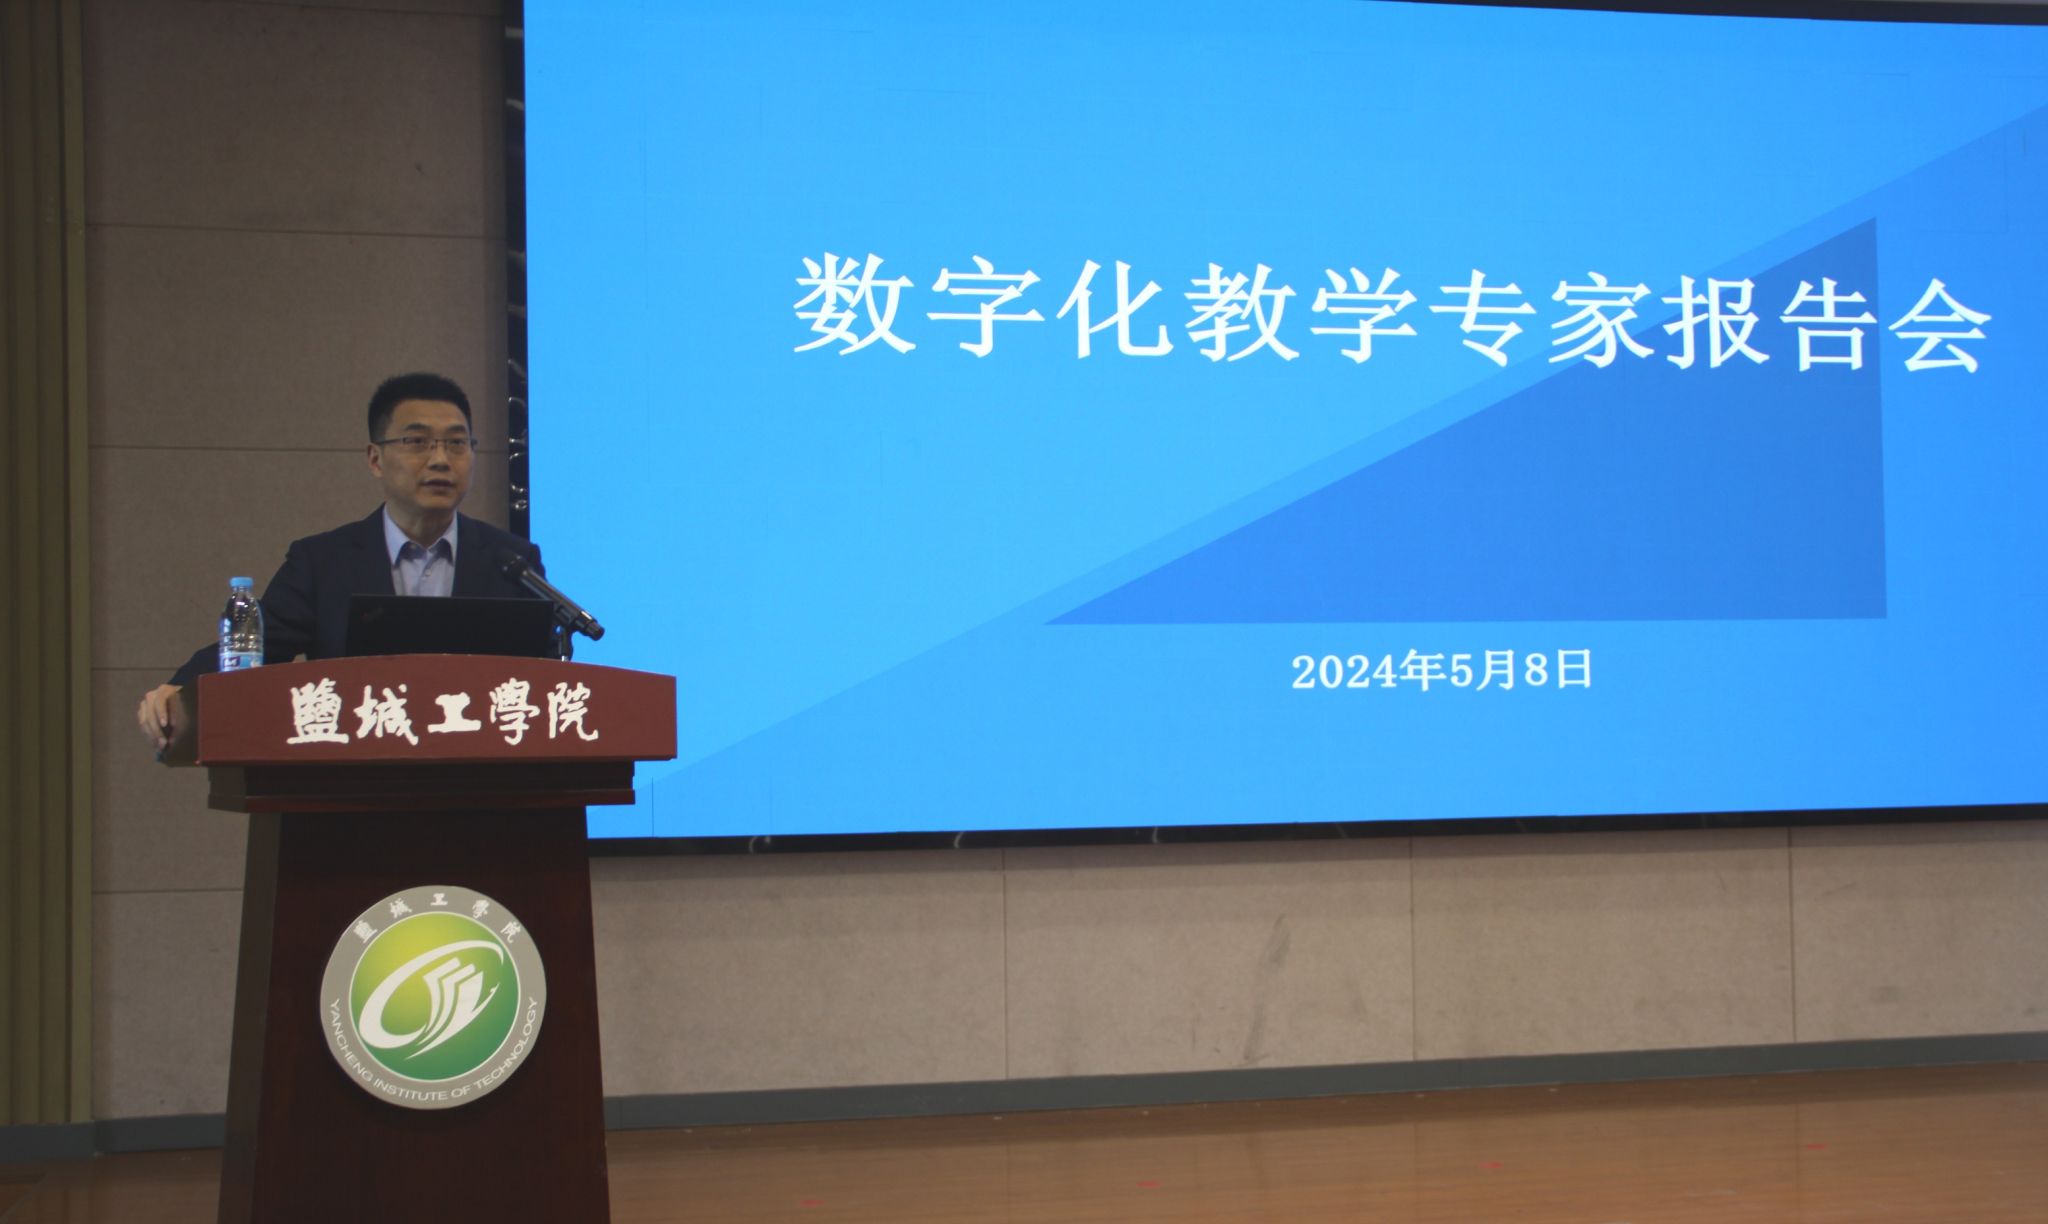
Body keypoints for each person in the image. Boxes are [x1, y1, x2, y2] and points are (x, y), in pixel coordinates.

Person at [136, 372, 543, 749]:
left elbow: (538, 677)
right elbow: (258, 647)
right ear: (375, 459)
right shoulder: (322, 563)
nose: (440, 459)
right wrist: (183, 688)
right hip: (354, 777)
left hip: (478, 774)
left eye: (456, 443)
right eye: (417, 442)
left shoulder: (511, 561)